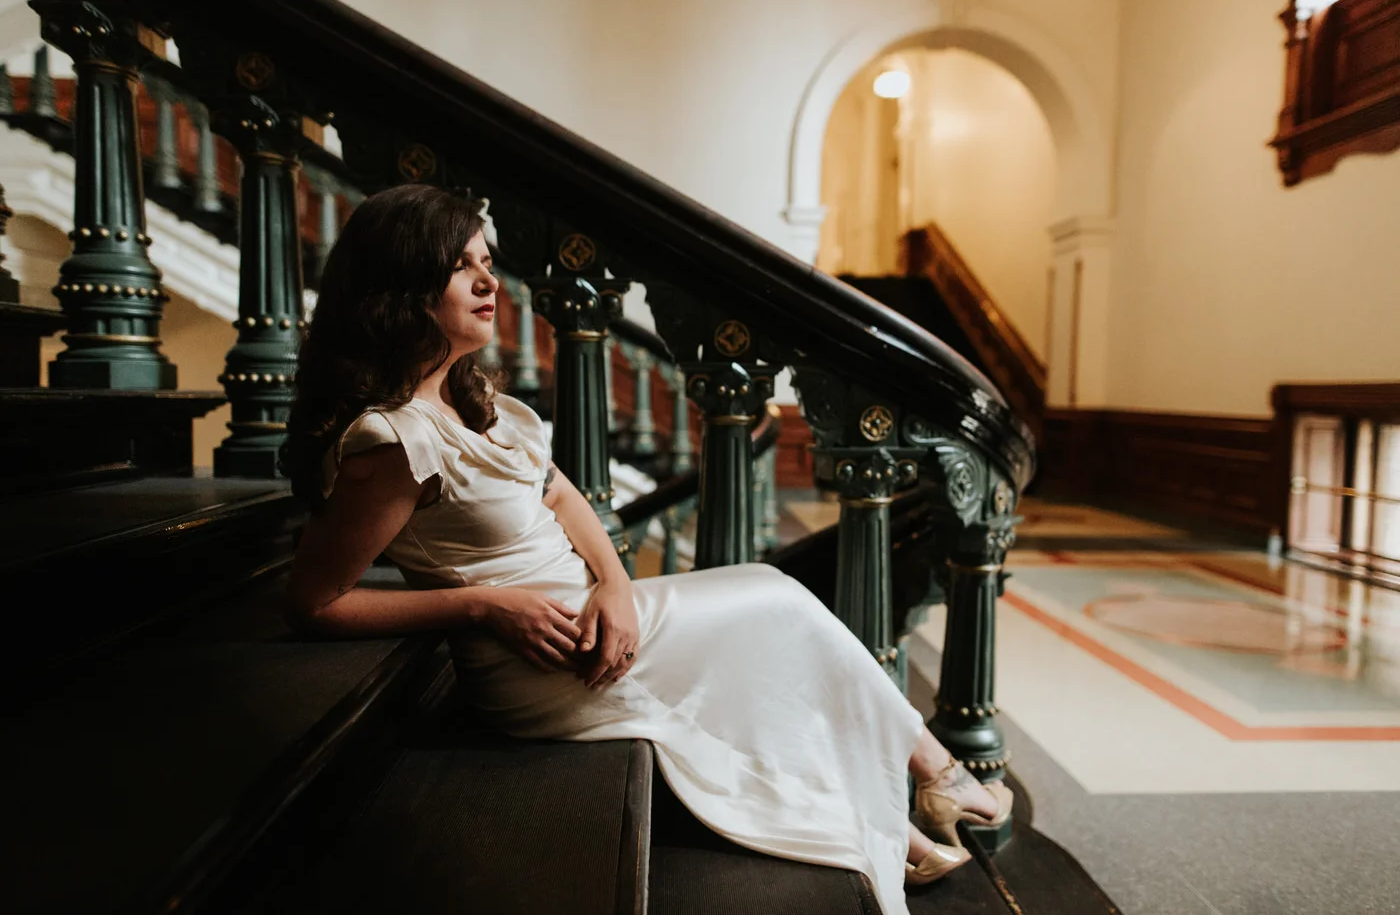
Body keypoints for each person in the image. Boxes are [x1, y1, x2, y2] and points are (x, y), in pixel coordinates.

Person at [281, 184, 1012, 915]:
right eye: (458, 266)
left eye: (486, 261)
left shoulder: (476, 406)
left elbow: (561, 497)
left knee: (770, 631)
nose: (487, 282)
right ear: (403, 288)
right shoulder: (395, 441)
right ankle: (938, 779)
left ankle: (901, 818)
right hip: (543, 663)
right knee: (776, 607)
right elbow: (317, 603)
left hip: (593, 615)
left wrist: (615, 584)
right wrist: (482, 607)